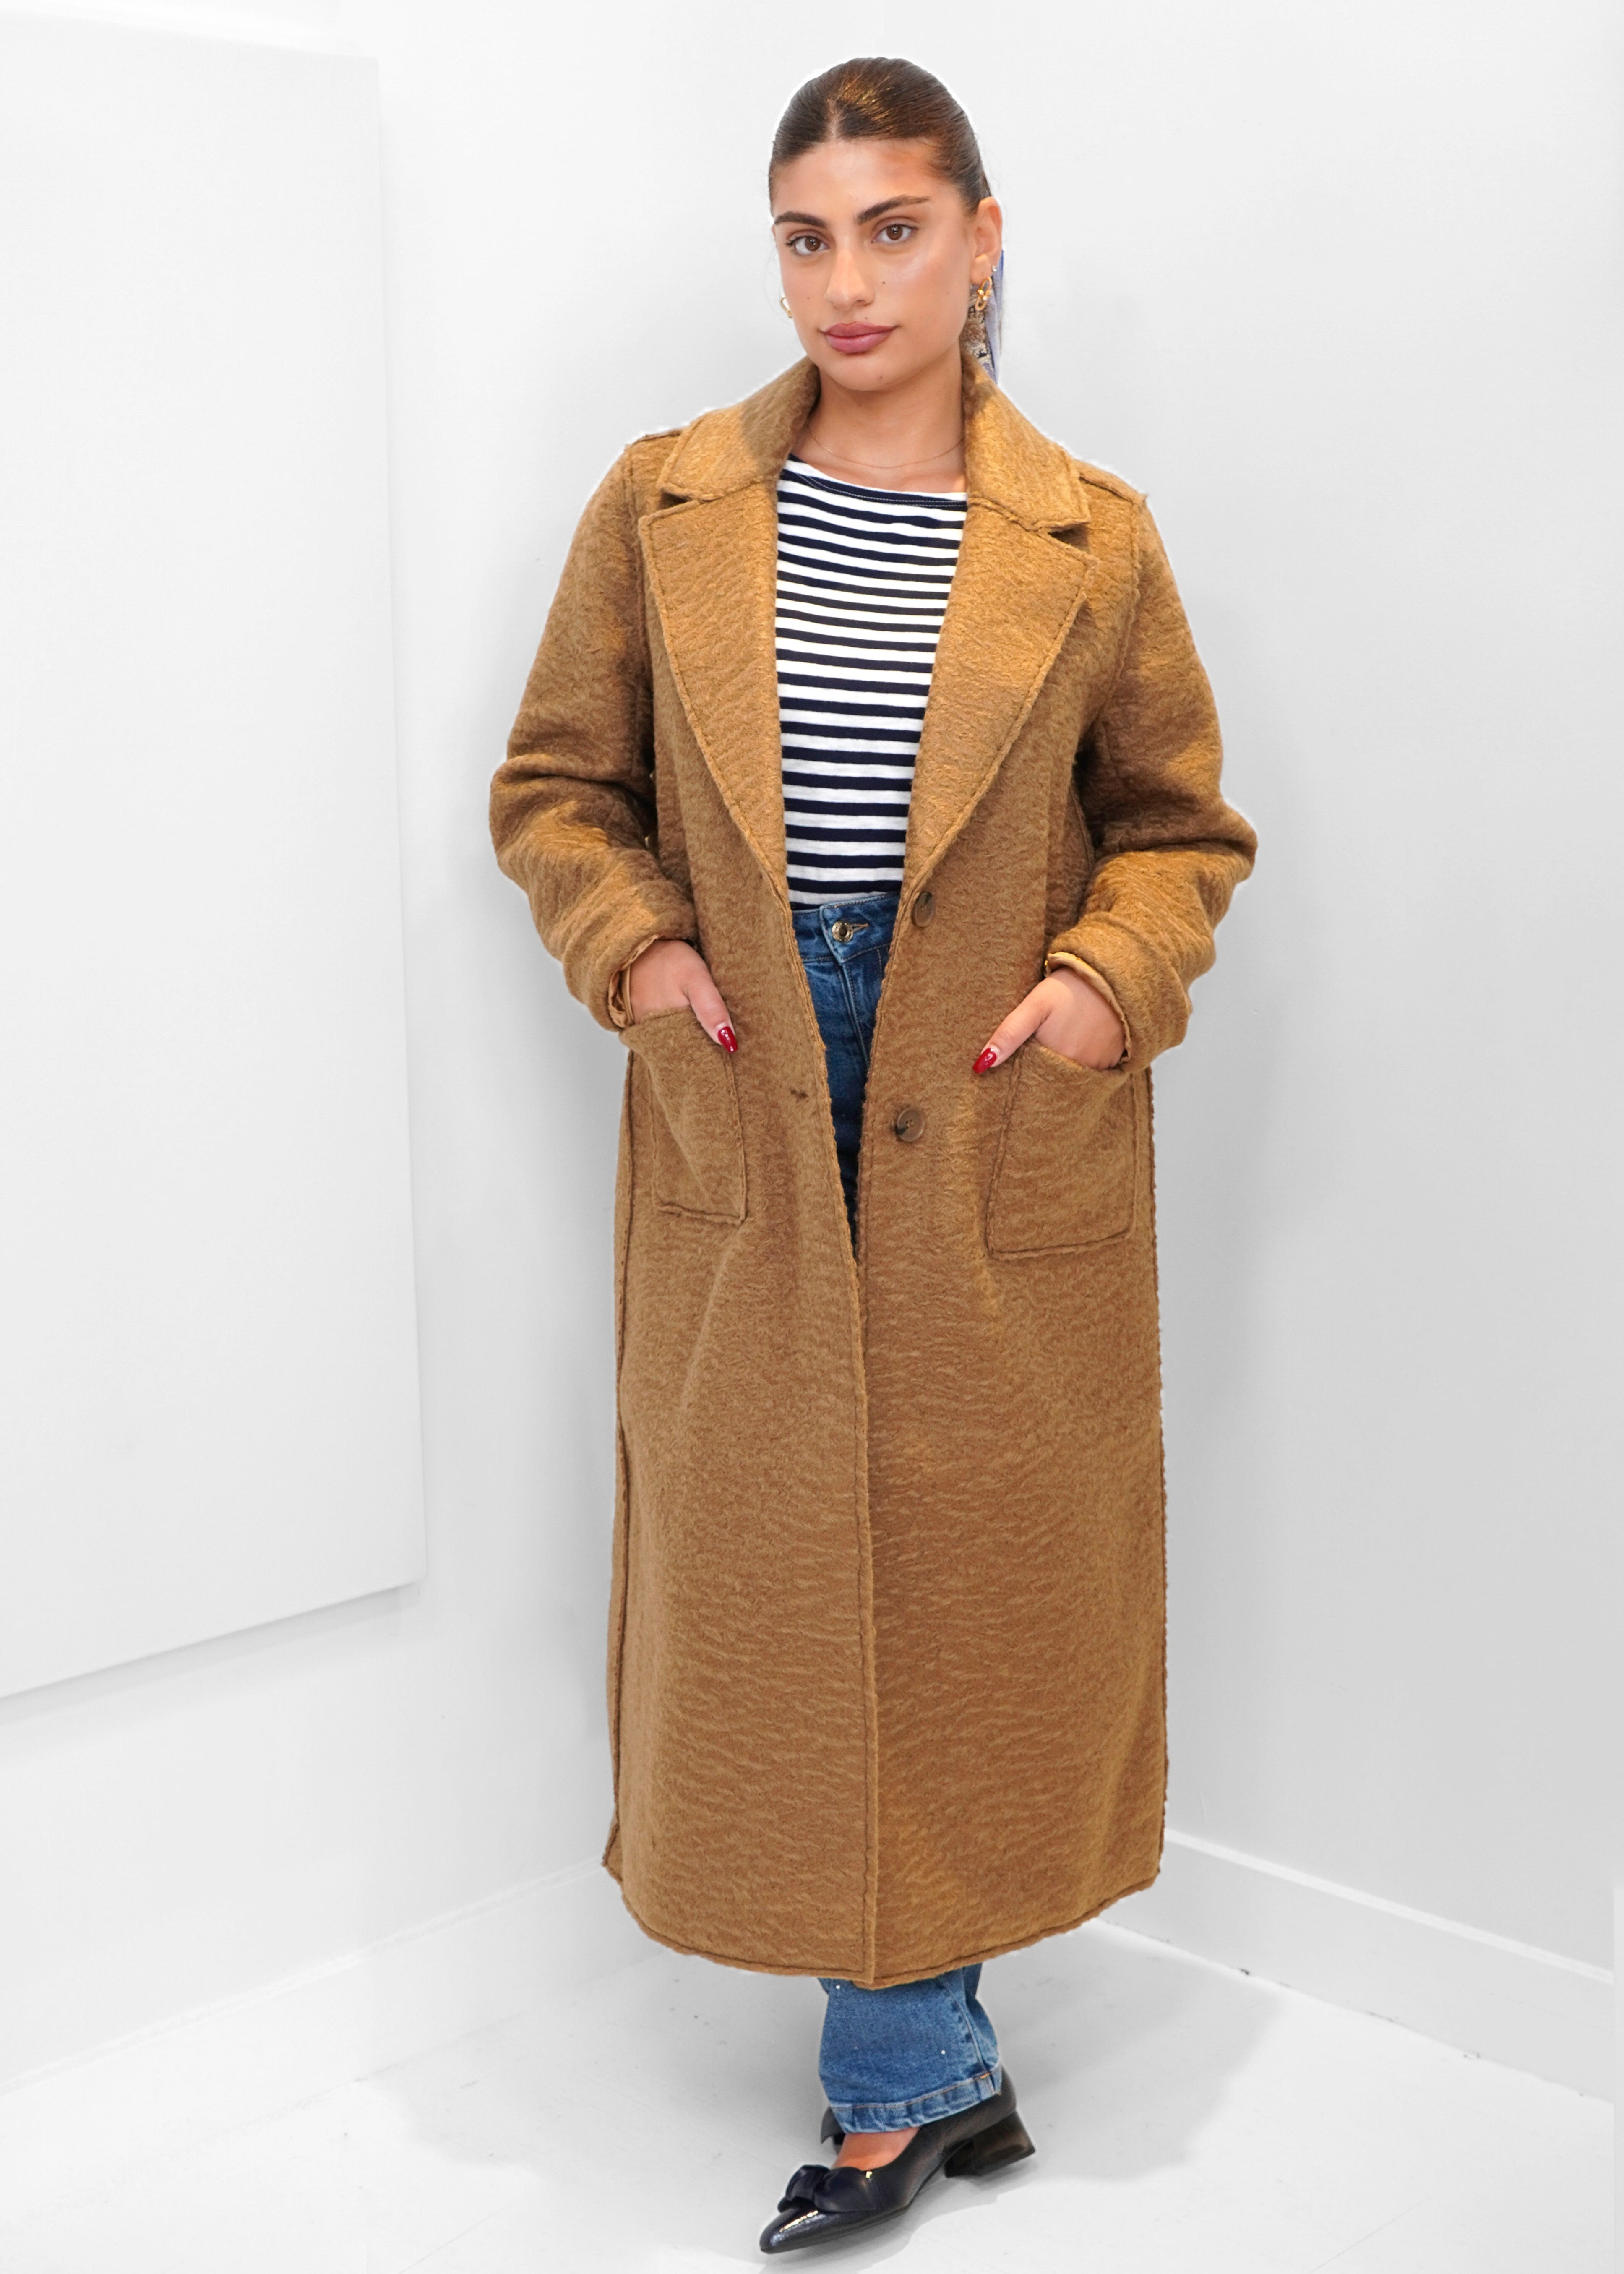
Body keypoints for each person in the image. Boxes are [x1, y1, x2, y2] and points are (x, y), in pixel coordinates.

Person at [490, 55, 1256, 2255]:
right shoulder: (664, 504)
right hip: (746, 1065)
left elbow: (1180, 831)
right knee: (783, 1567)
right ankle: (927, 2065)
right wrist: (639, 954)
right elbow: (556, 788)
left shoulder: (1090, 538)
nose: (849, 281)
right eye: (808, 238)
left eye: (895, 229)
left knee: (968, 1573)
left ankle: (907, 2080)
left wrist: (1101, 983)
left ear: (982, 238)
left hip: (989, 1086)